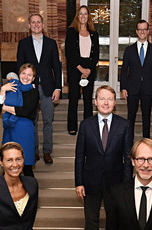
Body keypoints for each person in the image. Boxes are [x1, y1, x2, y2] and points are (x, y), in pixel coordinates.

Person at [74, 85, 134, 230]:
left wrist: (127, 184)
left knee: (115, 217)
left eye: (109, 99)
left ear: (115, 103)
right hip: (90, 180)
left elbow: (127, 157)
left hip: (115, 181)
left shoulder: (125, 125)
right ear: (95, 102)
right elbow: (79, 156)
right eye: (102, 99)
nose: (105, 102)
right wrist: (78, 182)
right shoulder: (85, 125)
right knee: (91, 217)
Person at [17, 13, 62, 164]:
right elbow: (19, 67)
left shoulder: (51, 43)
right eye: (33, 22)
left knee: (48, 121)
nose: (36, 25)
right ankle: (34, 151)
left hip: (48, 88)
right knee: (32, 121)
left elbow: (57, 66)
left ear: (43, 25)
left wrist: (58, 88)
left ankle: (47, 151)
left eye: (39, 22)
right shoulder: (23, 44)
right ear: (29, 26)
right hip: (30, 89)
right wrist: (22, 87)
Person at [120, 20, 152, 138]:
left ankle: (146, 143)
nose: (142, 32)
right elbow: (124, 70)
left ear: (148, 31)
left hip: (148, 88)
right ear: (136, 32)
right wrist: (123, 87)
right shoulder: (129, 50)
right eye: (140, 29)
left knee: (146, 118)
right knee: (130, 118)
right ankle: (129, 144)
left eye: (144, 29)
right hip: (132, 88)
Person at [0, 64, 40, 177]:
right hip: (9, 128)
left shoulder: (33, 91)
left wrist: (4, 107)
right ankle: (9, 194)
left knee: (26, 167)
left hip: (25, 129)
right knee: (8, 167)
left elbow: (25, 111)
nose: (26, 77)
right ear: (19, 74)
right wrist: (3, 90)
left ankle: (31, 194)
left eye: (29, 75)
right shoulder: (12, 87)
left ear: (33, 78)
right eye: (23, 73)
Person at [65, 5, 99, 136]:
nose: (83, 16)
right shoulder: (71, 32)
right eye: (81, 14)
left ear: (88, 17)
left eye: (85, 14)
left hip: (89, 68)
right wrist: (80, 69)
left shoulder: (94, 34)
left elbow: (96, 54)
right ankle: (72, 126)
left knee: (88, 100)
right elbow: (69, 53)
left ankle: (88, 127)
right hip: (75, 67)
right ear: (77, 17)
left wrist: (88, 69)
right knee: (73, 98)